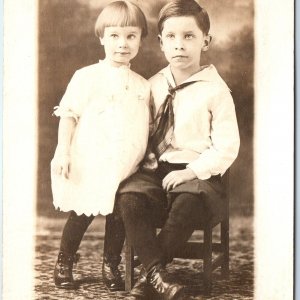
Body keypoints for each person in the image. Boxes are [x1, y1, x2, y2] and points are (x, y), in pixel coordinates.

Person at [115, 0, 240, 299]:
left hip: (199, 176)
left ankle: (148, 277)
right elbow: (139, 130)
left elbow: (227, 146)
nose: (179, 45)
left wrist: (191, 172)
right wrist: (143, 152)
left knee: (190, 203)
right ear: (160, 42)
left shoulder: (216, 90)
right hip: (156, 172)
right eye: (171, 37)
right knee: (129, 196)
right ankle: (157, 276)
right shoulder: (152, 85)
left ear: (205, 41)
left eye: (189, 36)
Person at [50, 0, 150, 291]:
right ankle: (65, 261)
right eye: (115, 36)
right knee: (82, 212)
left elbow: (143, 124)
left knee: (118, 215)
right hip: (91, 158)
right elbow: (69, 115)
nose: (123, 44)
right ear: (102, 38)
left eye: (131, 36)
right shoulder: (86, 77)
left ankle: (111, 264)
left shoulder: (142, 85)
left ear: (141, 40)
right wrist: (63, 150)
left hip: (125, 163)